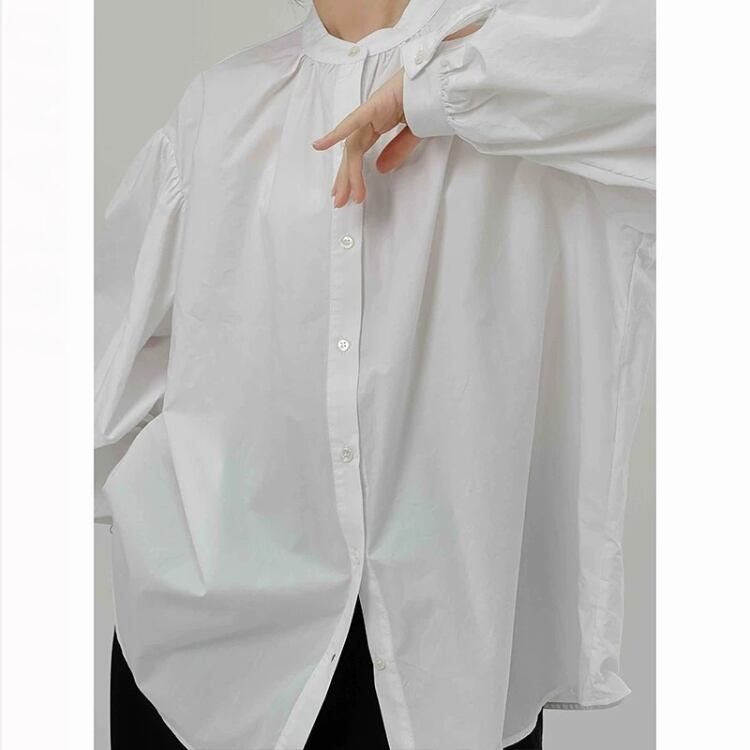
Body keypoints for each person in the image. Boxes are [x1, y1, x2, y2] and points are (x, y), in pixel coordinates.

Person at [95, 1, 655, 748]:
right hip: (211, 655)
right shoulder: (220, 106)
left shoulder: (535, 77)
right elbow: (103, 360)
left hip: (446, 660)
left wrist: (435, 91)